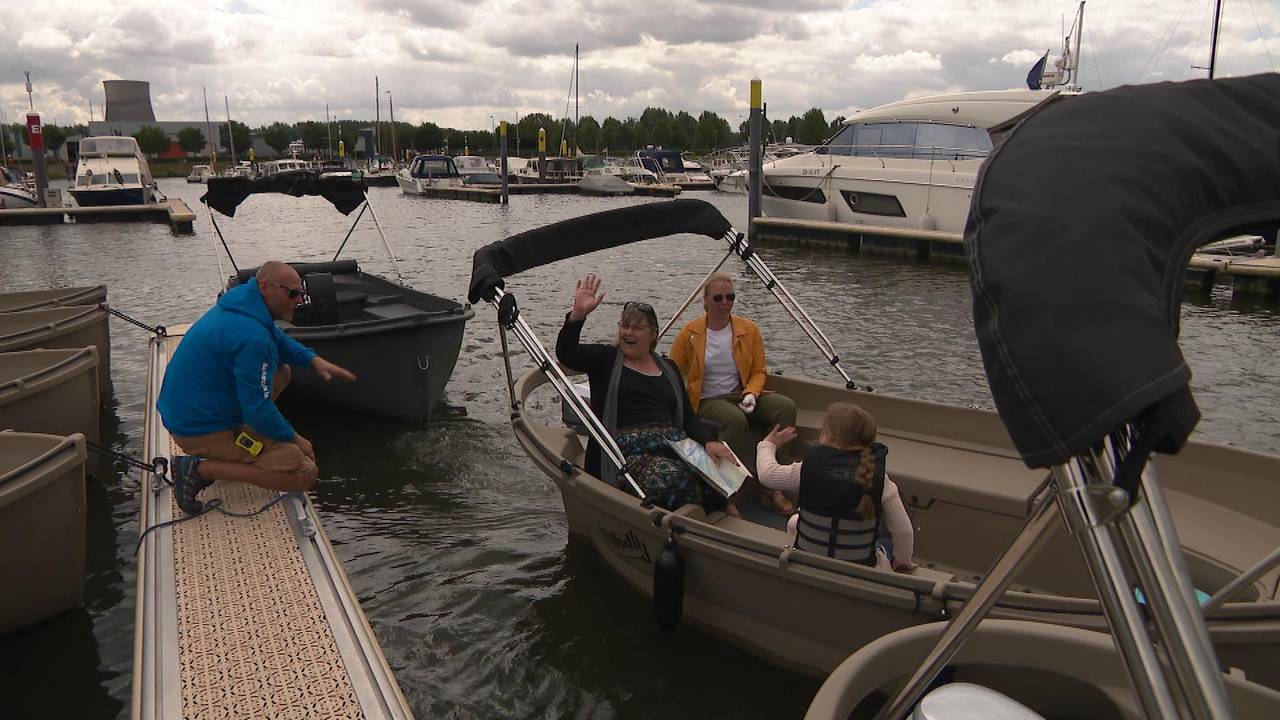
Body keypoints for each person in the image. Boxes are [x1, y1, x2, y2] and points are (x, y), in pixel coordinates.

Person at [157, 261, 356, 515]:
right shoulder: (252, 337)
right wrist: (296, 439)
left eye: (301, 294)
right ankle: (197, 469)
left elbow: (279, 339)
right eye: (292, 293)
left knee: (282, 372)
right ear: (265, 287)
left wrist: (313, 360)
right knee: (303, 470)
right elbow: (257, 409)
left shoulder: (244, 307)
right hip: (198, 428)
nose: (299, 300)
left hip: (195, 410)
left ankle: (237, 446)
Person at [556, 273, 738, 515]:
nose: (628, 333)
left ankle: (724, 510)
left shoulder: (669, 368)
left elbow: (688, 418)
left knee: (722, 473)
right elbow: (566, 353)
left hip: (674, 444)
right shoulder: (605, 360)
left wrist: (710, 443)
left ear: (652, 334)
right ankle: (696, 516)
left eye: (637, 328)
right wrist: (577, 316)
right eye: (625, 326)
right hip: (625, 454)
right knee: (678, 479)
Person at [669, 271, 797, 515]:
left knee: (786, 407)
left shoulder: (748, 330)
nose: (725, 303)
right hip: (707, 400)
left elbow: (759, 371)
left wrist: (751, 393)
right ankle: (731, 496)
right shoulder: (689, 334)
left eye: (730, 297)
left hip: (741, 394)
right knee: (734, 420)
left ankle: (772, 485)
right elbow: (673, 371)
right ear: (705, 300)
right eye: (718, 298)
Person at [755, 402, 916, 572]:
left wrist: (768, 444)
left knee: (795, 521)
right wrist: (902, 561)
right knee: (886, 540)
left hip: (809, 563)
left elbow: (767, 475)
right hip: (861, 572)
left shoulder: (807, 469)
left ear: (828, 437)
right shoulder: (880, 480)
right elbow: (904, 533)